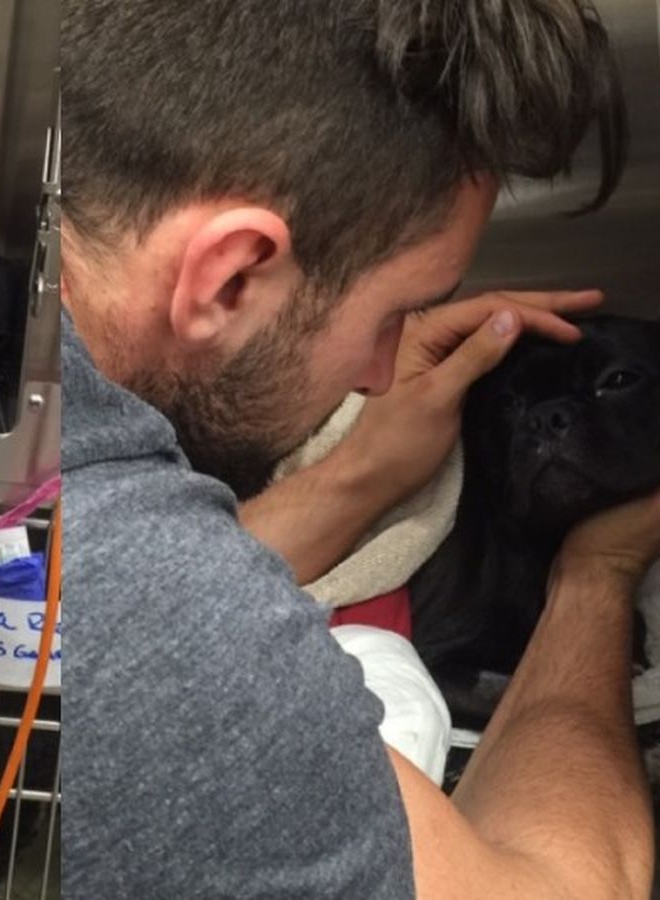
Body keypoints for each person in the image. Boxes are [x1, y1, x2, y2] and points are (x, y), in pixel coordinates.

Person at [60, 2, 659, 898]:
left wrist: (360, 475)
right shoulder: (196, 656)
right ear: (232, 276)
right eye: (393, 315)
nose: (382, 376)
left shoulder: (17, 376)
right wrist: (598, 575)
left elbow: (124, 600)